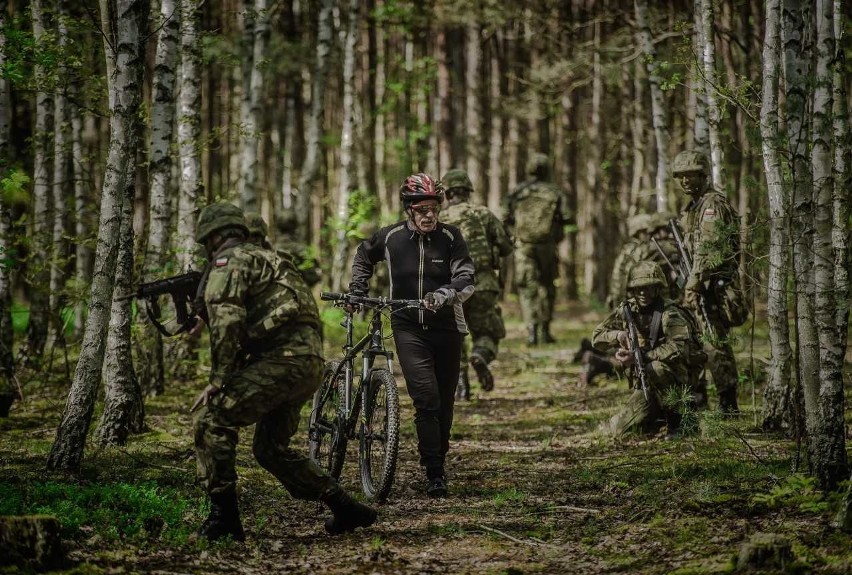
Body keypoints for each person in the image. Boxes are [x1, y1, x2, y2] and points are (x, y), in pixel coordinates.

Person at [191, 202, 376, 541]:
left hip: (280, 363)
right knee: (270, 449)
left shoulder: (229, 261)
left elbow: (228, 321)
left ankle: (224, 519)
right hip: (307, 365)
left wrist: (218, 380)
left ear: (212, 236)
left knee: (210, 418)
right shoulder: (274, 259)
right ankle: (346, 507)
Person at [348, 173, 475, 497]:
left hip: (447, 327)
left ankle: (438, 465)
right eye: (421, 209)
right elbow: (363, 255)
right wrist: (358, 290)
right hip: (407, 328)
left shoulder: (451, 237)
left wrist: (445, 293)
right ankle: (433, 472)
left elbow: (466, 276)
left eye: (433, 208)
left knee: (444, 404)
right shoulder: (391, 238)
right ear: (409, 210)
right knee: (426, 399)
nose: (429, 214)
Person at [591, 261, 706, 439]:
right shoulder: (627, 310)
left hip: (677, 383)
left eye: (648, 288)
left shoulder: (670, 312)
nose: (643, 293)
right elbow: (596, 338)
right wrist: (618, 335)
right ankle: (655, 420)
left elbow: (678, 347)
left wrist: (642, 357)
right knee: (618, 431)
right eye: (639, 288)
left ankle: (682, 423)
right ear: (632, 290)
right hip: (647, 387)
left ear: (657, 288)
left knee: (656, 367)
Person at [673, 150, 747, 413]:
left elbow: (708, 250)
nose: (684, 180)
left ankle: (728, 404)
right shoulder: (692, 208)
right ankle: (699, 400)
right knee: (695, 343)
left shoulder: (711, 205)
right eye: (680, 176)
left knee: (715, 345)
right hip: (699, 285)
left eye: (690, 174)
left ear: (703, 174)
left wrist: (693, 284)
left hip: (713, 288)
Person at [439, 168, 513, 399]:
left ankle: (461, 385)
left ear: (447, 194)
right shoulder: (483, 214)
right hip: (482, 283)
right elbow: (506, 247)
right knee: (488, 330)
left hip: (450, 288)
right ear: (467, 192)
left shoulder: (438, 220)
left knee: (454, 335)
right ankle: (480, 354)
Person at [503, 153, 572, 345]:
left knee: (527, 289)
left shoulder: (518, 192)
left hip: (524, 247)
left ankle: (532, 331)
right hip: (547, 246)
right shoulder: (555, 192)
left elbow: (504, 216)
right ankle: (545, 330)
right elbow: (567, 216)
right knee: (548, 287)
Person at [605, 212, 654, 311]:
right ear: (637, 232)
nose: (648, 235)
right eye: (644, 232)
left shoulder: (631, 248)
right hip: (629, 295)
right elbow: (620, 275)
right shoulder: (634, 250)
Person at [272, 210, 322, 288]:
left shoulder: (270, 249)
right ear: (295, 226)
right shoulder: (302, 250)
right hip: (299, 296)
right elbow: (313, 277)